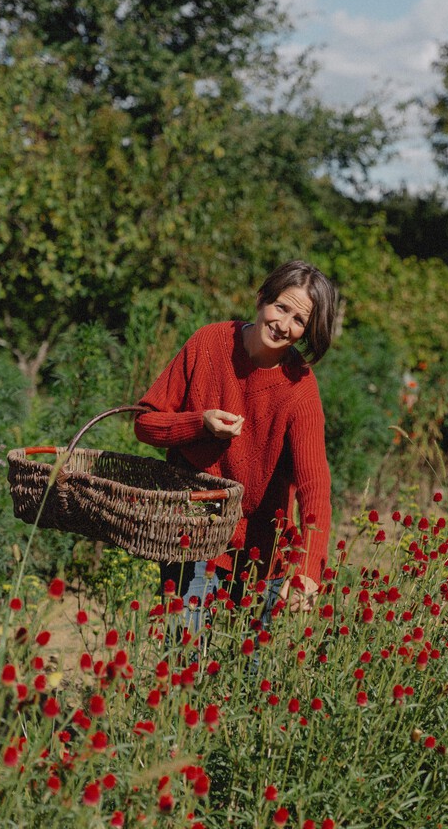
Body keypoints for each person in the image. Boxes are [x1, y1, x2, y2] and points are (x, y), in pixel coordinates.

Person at [134, 260, 337, 630]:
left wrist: (309, 570)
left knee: (245, 675)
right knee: (185, 656)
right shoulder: (208, 343)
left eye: (299, 320)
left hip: (262, 551)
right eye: (281, 307)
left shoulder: (300, 387)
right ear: (261, 299)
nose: (284, 324)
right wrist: (199, 423)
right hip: (193, 535)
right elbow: (145, 423)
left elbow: (314, 485)